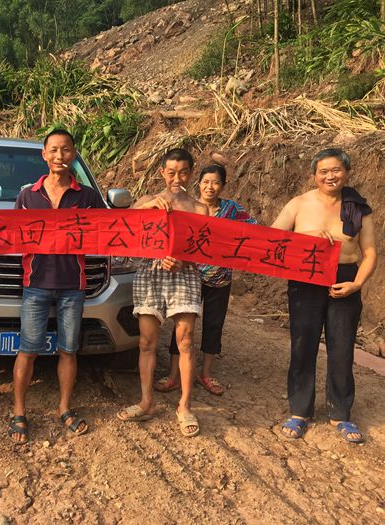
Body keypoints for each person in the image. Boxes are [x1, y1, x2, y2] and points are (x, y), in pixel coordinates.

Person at [0, 129, 106, 444]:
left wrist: (151, 207)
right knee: (28, 350)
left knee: (68, 350)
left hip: (73, 286)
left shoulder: (87, 197)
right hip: (36, 285)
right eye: (54, 150)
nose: (60, 156)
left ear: (74, 154)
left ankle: (65, 408)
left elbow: (112, 229)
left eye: (66, 149)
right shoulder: (27, 196)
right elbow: (7, 232)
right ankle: (19, 412)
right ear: (44, 155)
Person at [272, 148, 376, 443]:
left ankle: (340, 414)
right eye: (324, 171)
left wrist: (356, 283)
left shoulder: (358, 208)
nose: (330, 176)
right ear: (314, 175)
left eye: (336, 170)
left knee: (342, 348)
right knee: (302, 344)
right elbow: (273, 239)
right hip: (305, 279)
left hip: (345, 281)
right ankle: (299, 411)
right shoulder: (299, 204)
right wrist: (307, 239)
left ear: (347, 172)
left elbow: (369, 252)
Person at [117, 148, 208, 438]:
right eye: (171, 172)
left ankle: (184, 406)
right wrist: (146, 208)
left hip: (185, 275)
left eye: (183, 173)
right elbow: (121, 226)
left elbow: (204, 249)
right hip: (150, 273)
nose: (177, 178)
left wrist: (184, 260)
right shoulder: (147, 201)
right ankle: (146, 402)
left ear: (191, 174)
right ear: (162, 173)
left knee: (186, 341)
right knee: (146, 342)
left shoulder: (199, 209)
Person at [157, 161, 256, 396]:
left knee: (214, 324)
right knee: (182, 328)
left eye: (216, 183)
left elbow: (254, 231)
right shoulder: (188, 206)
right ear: (198, 184)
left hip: (221, 279)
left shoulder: (232, 210)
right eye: (206, 182)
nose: (210, 187)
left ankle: (206, 373)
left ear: (223, 185)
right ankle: (173, 375)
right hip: (189, 276)